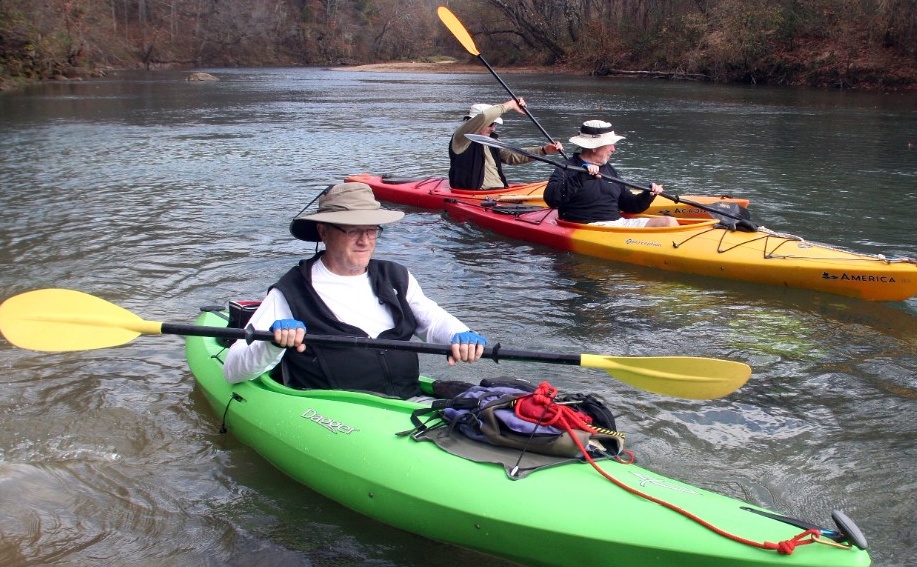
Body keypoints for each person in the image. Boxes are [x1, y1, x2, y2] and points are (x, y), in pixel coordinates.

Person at [223, 182, 487, 399]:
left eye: (372, 230)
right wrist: (272, 343)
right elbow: (233, 371)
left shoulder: (396, 277)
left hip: (407, 402)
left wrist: (461, 334)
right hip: (335, 417)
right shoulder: (290, 292)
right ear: (323, 232)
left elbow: (434, 321)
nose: (364, 241)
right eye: (353, 230)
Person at [542, 120, 678, 228]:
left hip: (616, 224)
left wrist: (648, 195)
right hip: (587, 228)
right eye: (610, 144)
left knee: (669, 222)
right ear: (594, 147)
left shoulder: (609, 169)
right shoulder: (566, 168)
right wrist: (581, 177)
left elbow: (630, 205)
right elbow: (551, 200)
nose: (614, 149)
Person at [448, 98, 563, 190]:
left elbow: (512, 156)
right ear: (476, 124)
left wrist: (544, 150)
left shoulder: (492, 141)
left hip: (498, 191)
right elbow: (484, 117)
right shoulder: (461, 137)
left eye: (495, 124)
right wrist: (511, 104)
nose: (493, 128)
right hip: (473, 195)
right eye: (491, 124)